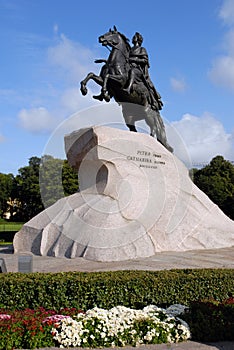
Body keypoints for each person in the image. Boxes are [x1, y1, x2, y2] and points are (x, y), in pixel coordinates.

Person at [123, 32, 163, 110]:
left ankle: (128, 88)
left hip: (137, 70)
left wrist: (132, 59)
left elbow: (145, 61)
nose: (133, 38)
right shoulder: (130, 49)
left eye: (134, 37)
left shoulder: (142, 49)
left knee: (133, 71)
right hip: (129, 67)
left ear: (138, 39)